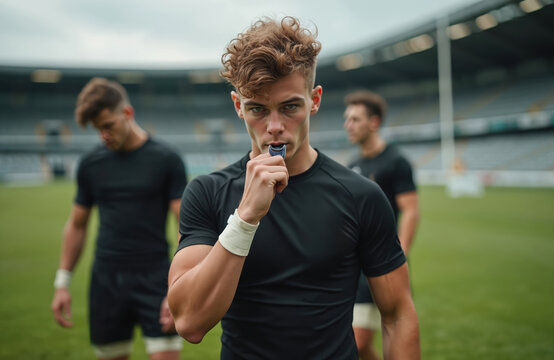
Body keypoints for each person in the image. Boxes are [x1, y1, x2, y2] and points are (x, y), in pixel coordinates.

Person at [168, 16, 420, 359]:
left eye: (290, 107)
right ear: (238, 106)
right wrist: (244, 219)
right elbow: (189, 322)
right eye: (258, 108)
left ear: (314, 100)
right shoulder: (207, 193)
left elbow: (397, 315)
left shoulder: (361, 196)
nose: (274, 127)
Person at [50, 78, 187, 360]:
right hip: (106, 280)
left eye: (108, 126)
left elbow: (185, 226)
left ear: (127, 113)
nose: (103, 135)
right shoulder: (91, 164)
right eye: (98, 129)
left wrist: (177, 286)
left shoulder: (167, 160)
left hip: (156, 278)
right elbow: (77, 224)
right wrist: (62, 283)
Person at [343, 90, 420, 360]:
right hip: (354, 264)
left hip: (383, 262)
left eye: (355, 119)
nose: (347, 125)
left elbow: (410, 211)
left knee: (363, 341)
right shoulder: (352, 165)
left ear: (373, 122)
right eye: (347, 119)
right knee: (357, 345)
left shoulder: (396, 161)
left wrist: (401, 255)